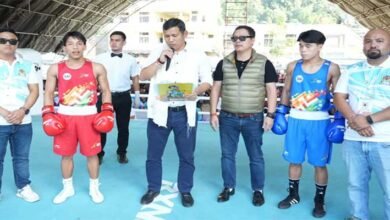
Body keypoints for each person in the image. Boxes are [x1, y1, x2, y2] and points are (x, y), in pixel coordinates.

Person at [139, 18, 212, 207]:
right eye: (167, 36)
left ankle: (185, 190)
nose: (170, 39)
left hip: (185, 113)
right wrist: (159, 61)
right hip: (159, 112)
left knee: (187, 155)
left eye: (174, 35)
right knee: (153, 155)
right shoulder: (158, 52)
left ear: (185, 34)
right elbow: (143, 75)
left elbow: (207, 81)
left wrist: (195, 91)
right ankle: (153, 188)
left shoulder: (198, 54)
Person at [274, 30, 340, 218]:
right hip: (295, 119)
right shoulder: (293, 66)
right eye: (301, 45)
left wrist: (340, 119)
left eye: (308, 46)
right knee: (294, 160)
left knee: (319, 164)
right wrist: (281, 112)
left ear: (320, 47)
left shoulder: (332, 68)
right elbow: (286, 90)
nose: (303, 50)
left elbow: (339, 95)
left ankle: (319, 200)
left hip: (320, 121)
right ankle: (293, 195)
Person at [209, 25, 277, 206]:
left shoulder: (264, 62)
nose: (237, 41)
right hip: (227, 117)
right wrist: (213, 112)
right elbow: (216, 88)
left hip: (253, 118)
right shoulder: (223, 62)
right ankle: (228, 187)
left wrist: (270, 115)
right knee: (227, 155)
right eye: (234, 38)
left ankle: (258, 190)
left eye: (242, 38)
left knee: (255, 156)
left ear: (252, 40)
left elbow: (271, 90)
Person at [44, 31, 113, 204]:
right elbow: (49, 92)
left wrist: (107, 111)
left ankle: (94, 188)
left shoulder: (97, 67)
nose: (75, 47)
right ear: (64, 47)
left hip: (89, 116)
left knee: (92, 154)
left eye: (79, 43)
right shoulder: (55, 68)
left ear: (84, 45)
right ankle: (67, 188)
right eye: (70, 43)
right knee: (66, 155)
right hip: (65, 116)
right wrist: (48, 113)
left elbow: (105, 90)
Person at [334, 28, 390, 220]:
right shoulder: (352, 70)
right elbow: (339, 98)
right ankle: (358, 216)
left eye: (379, 40)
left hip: (385, 140)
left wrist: (367, 120)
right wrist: (353, 119)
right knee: (355, 184)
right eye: (368, 41)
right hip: (353, 139)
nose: (373, 44)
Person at [0, 28, 40, 202]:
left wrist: (22, 110)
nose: (8, 44)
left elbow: (34, 91)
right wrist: (4, 112)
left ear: (17, 44)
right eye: (3, 41)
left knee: (22, 158)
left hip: (23, 121)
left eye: (12, 41)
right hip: (0, 120)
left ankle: (23, 187)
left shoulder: (27, 66)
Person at [95, 31, 141, 164]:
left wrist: (137, 95)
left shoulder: (131, 60)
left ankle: (122, 153)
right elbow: (93, 76)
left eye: (117, 40)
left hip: (124, 96)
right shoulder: (99, 58)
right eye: (112, 40)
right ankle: (99, 153)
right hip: (104, 96)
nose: (114, 43)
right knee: (100, 126)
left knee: (123, 127)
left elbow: (135, 77)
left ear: (124, 42)